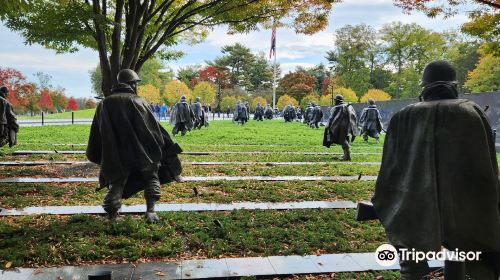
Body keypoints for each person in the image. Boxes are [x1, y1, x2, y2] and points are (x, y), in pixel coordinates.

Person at [372, 60, 500, 280]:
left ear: (424, 88)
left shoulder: (402, 116)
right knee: (481, 262)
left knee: (410, 263)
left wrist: (389, 200)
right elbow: (487, 171)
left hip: (410, 206)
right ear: (453, 86)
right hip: (467, 209)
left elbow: (390, 172)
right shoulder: (471, 112)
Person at [86, 69, 183, 224]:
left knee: (116, 182)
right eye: (135, 83)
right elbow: (153, 128)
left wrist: (100, 153)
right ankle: (150, 211)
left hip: (115, 153)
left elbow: (97, 132)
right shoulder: (138, 101)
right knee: (151, 176)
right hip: (142, 151)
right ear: (131, 84)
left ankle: (112, 216)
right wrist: (163, 144)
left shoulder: (104, 104)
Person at [323, 94, 357, 161]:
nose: (334, 102)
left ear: (337, 101)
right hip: (347, 126)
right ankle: (345, 154)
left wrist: (328, 126)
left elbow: (331, 118)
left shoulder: (337, 107)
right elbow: (354, 116)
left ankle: (347, 156)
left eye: (335, 100)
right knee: (345, 139)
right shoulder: (349, 106)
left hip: (339, 126)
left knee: (342, 140)